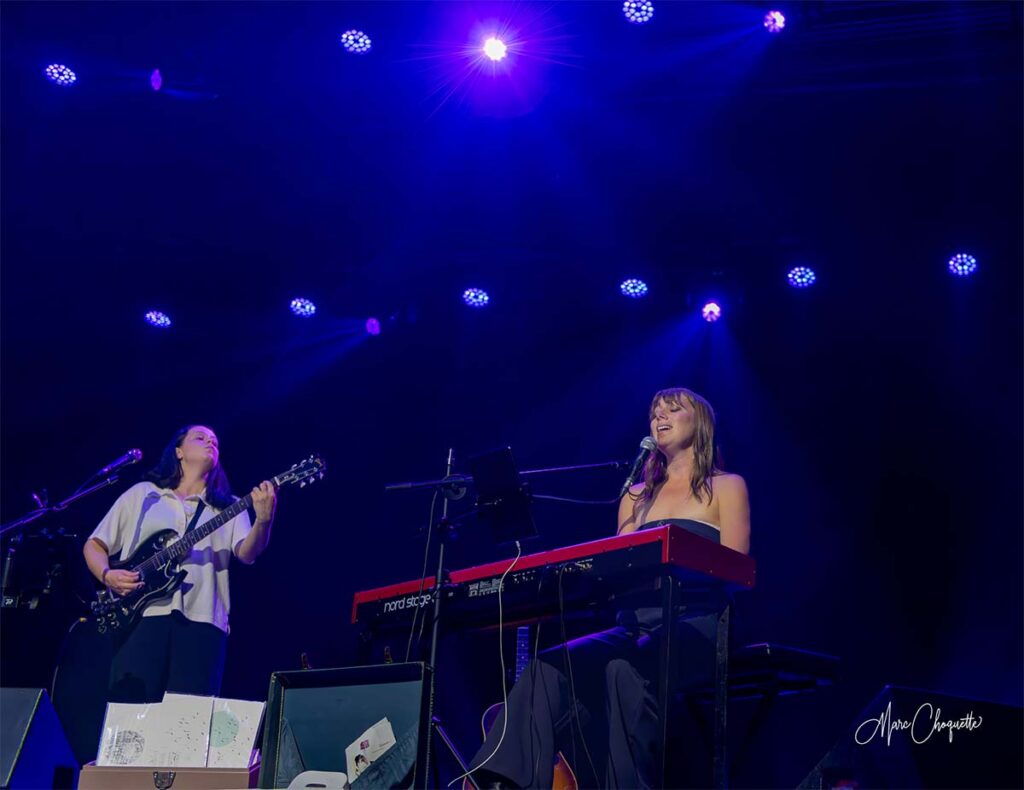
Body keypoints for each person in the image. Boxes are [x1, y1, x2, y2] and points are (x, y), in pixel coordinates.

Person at [467, 387, 751, 788]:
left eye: (673, 409)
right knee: (548, 666)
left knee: (625, 669)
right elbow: (616, 567)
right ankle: (501, 782)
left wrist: (680, 555)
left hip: (699, 620)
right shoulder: (635, 495)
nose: (660, 417)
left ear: (700, 422)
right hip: (635, 624)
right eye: (654, 412)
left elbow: (737, 567)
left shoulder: (726, 486)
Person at [83, 424, 277, 703]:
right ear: (178, 451)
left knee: (187, 721)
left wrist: (264, 520)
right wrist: (107, 574)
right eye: (200, 437)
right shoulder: (144, 495)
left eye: (215, 441)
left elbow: (247, 553)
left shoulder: (230, 506)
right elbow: (95, 544)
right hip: (142, 616)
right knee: (131, 716)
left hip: (204, 620)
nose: (210, 442)